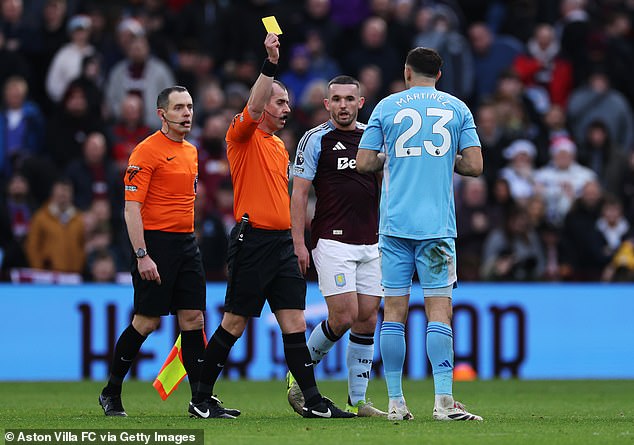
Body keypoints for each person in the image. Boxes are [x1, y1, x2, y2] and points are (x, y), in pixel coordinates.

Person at [188, 33, 354, 420]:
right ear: (263, 105)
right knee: (234, 322)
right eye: (280, 102)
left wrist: (297, 241)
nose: (286, 109)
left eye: (286, 103)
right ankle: (201, 397)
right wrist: (270, 64)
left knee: (294, 323)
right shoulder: (241, 136)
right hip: (253, 240)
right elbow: (253, 102)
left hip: (281, 243)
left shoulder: (279, 146)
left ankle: (312, 401)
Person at [356, 47, 484, 421]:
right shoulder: (457, 108)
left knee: (393, 312)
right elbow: (475, 165)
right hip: (437, 228)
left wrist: (388, 157)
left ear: (407, 72)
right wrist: (447, 160)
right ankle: (444, 402)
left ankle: (396, 403)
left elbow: (364, 162)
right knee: (439, 311)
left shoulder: (386, 106)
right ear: (439, 75)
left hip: (395, 226)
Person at [98, 86, 207, 417]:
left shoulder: (191, 151)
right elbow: (132, 209)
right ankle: (111, 392)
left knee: (193, 319)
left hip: (186, 242)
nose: (187, 113)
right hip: (155, 244)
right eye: (179, 108)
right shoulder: (145, 152)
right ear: (162, 114)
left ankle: (200, 400)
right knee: (146, 322)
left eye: (189, 107)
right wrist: (142, 254)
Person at [287, 75, 385, 418]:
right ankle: (299, 377)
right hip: (332, 241)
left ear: (361, 102)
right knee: (342, 317)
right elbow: (299, 193)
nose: (343, 105)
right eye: (336, 99)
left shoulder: (373, 136)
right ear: (326, 104)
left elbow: (385, 186)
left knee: (368, 319)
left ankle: (357, 401)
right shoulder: (315, 139)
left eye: (349, 99)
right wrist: (299, 242)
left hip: (372, 243)